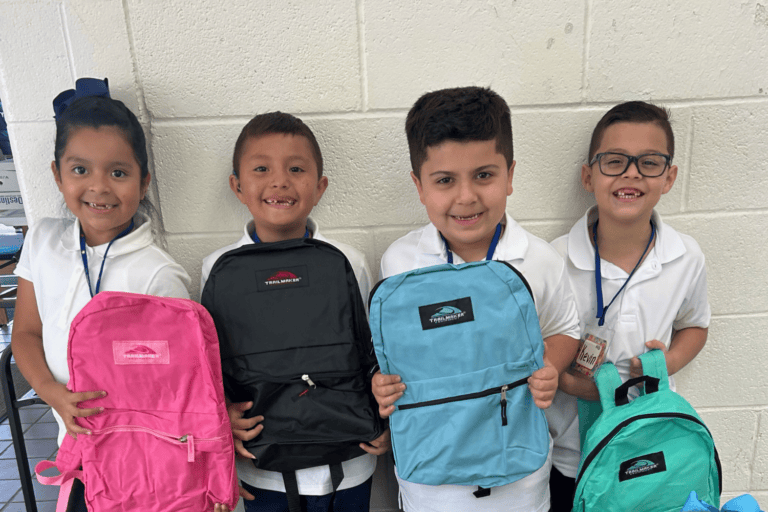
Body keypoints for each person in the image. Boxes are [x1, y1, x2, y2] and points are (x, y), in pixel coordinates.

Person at [372, 86, 580, 512]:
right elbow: (392, 352)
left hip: (519, 479)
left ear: (510, 174)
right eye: (445, 180)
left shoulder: (539, 259)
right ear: (419, 185)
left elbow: (564, 329)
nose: (466, 196)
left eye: (484, 175)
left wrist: (550, 366)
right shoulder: (399, 263)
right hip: (430, 482)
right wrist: (381, 381)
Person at [11, 80, 192, 510]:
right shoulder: (41, 241)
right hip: (74, 457)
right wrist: (50, 392)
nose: (99, 187)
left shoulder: (158, 275)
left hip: (142, 465)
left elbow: (176, 391)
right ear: (57, 174)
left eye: (118, 172)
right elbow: (26, 333)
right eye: (80, 170)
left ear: (143, 182)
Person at [200, 111, 390, 512]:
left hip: (350, 460)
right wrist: (222, 421)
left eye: (296, 169)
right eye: (262, 168)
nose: (279, 180)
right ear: (237, 185)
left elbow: (376, 355)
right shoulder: (217, 266)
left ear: (320, 187)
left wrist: (386, 420)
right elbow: (206, 368)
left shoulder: (348, 261)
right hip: (261, 465)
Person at [547, 101, 710, 511]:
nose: (632, 173)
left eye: (649, 162)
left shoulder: (685, 257)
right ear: (588, 176)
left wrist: (667, 362)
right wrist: (568, 384)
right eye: (614, 161)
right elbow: (538, 346)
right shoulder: (554, 261)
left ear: (669, 177)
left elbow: (695, 325)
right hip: (573, 454)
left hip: (656, 450)